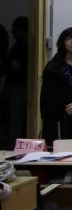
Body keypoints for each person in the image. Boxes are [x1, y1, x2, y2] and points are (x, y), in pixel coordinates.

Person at [1, 16, 29, 147]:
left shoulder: (23, 46)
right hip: (17, 85)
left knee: (16, 118)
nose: (12, 31)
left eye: (15, 28)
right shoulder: (20, 45)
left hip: (20, 86)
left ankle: (15, 145)